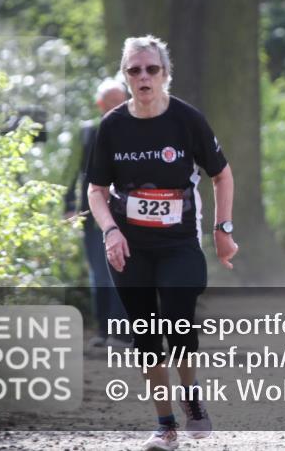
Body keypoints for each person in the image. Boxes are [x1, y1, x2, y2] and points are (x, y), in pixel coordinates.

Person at [86, 35, 239, 451]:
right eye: (134, 70)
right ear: (125, 75)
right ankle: (165, 424)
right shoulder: (113, 126)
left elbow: (221, 174)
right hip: (130, 246)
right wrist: (111, 231)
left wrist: (222, 229)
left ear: (165, 74)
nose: (143, 77)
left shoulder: (187, 120)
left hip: (178, 244)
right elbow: (96, 190)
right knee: (146, 334)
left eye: (151, 69)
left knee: (176, 316)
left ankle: (191, 398)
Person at [63, 78, 131, 349]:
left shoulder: (138, 130)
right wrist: (68, 205)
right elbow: (70, 172)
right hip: (93, 215)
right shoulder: (87, 133)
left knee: (127, 273)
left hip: (128, 215)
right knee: (100, 275)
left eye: (120, 100)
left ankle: (125, 332)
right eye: (110, 101)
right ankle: (104, 331)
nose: (116, 106)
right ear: (99, 104)